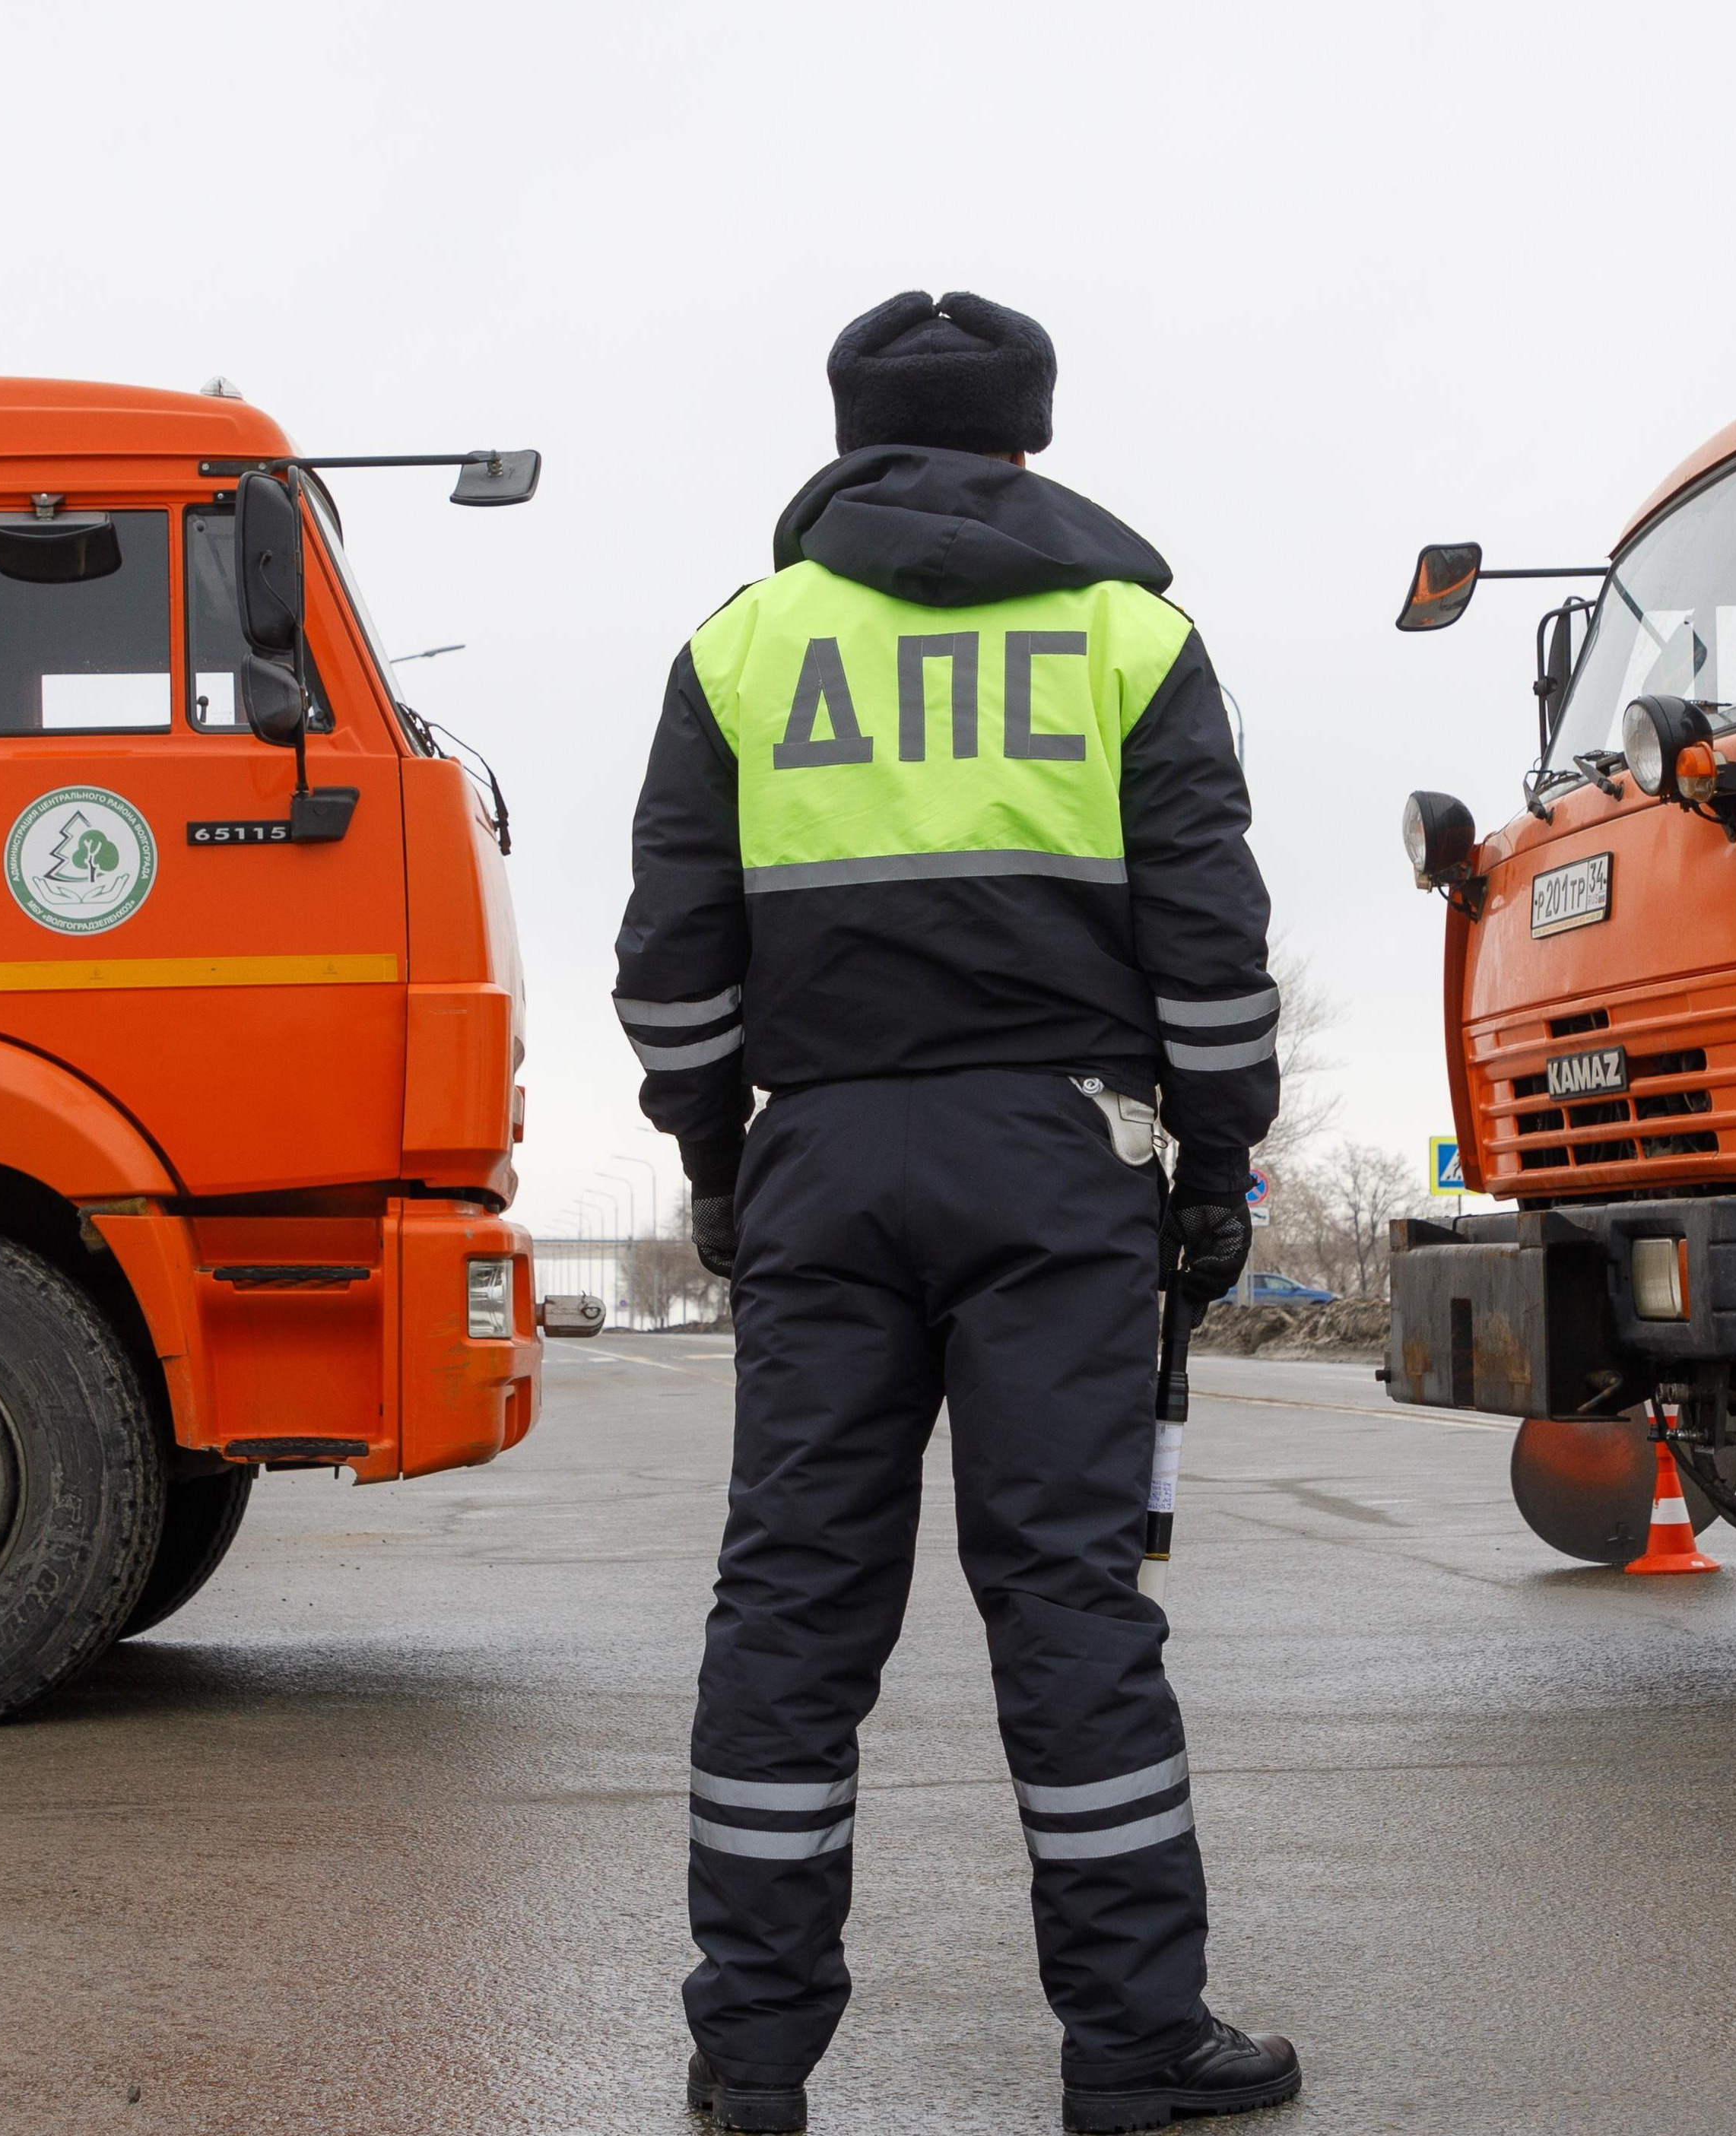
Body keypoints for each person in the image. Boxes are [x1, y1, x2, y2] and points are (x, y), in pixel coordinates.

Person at [616, 290, 1302, 2131]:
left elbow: (671, 972)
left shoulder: (743, 647)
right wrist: (1218, 1163)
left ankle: (749, 2059)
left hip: (824, 1163)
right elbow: (1212, 957)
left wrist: (713, 1153)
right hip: (1059, 1163)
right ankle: (1134, 2043)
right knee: (1069, 1606)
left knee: (789, 1613)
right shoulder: (1129, 637)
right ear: (1032, 438)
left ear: (846, 439)